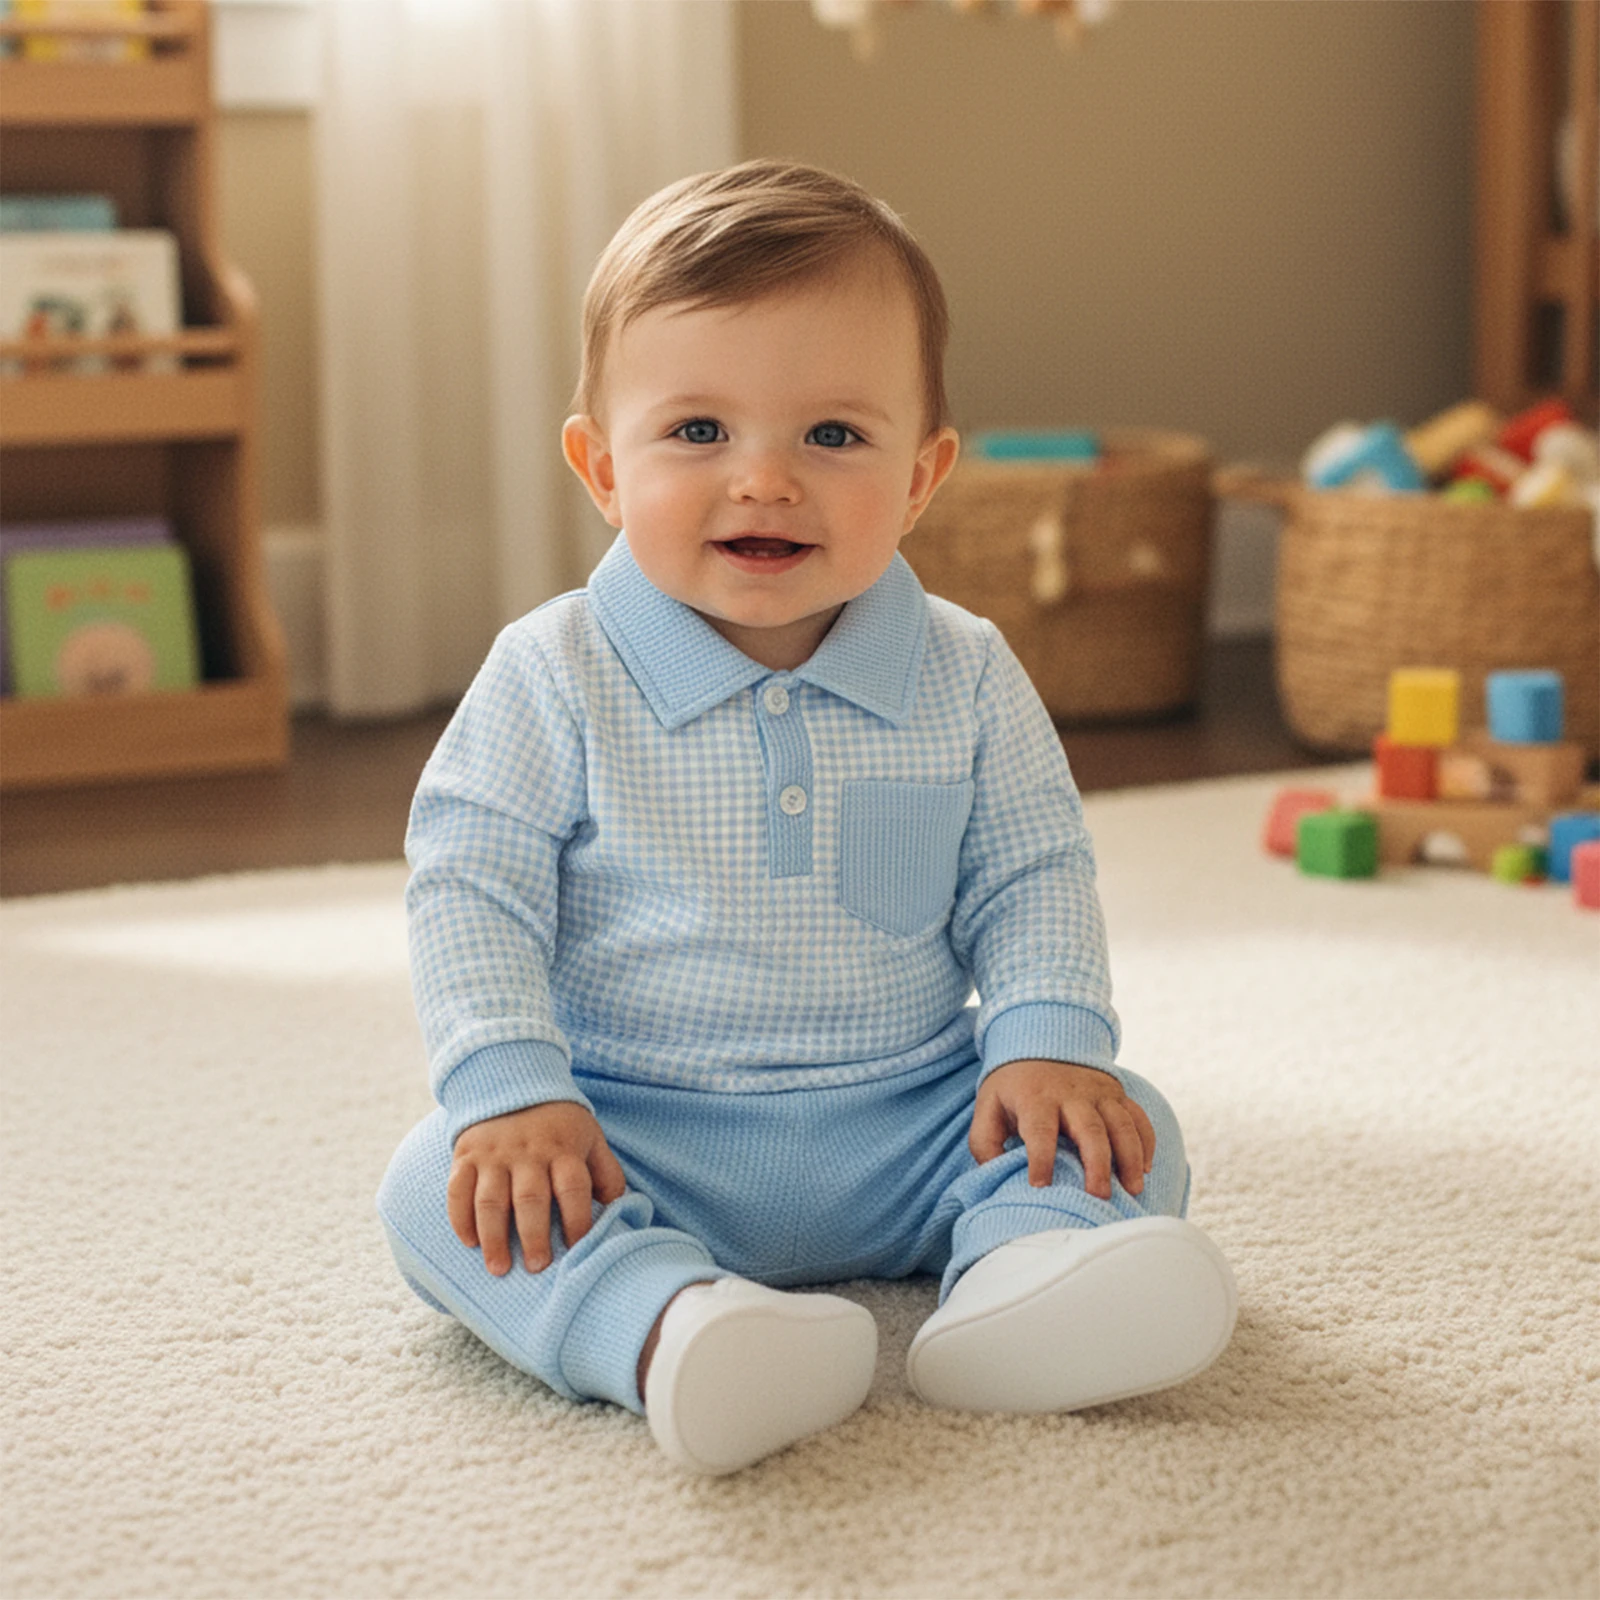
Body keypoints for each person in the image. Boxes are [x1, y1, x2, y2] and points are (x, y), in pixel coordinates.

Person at [378, 159, 1237, 1476]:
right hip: (636, 1135)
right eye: (699, 433)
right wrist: (512, 1095)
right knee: (438, 1187)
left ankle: (1021, 1285)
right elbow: (470, 886)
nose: (766, 481)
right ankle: (674, 1330)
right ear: (602, 468)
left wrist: (1047, 1045)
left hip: (914, 1121)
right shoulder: (551, 674)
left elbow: (1031, 874)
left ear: (921, 474)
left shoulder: (965, 670)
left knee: (1127, 1119)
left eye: (833, 437)